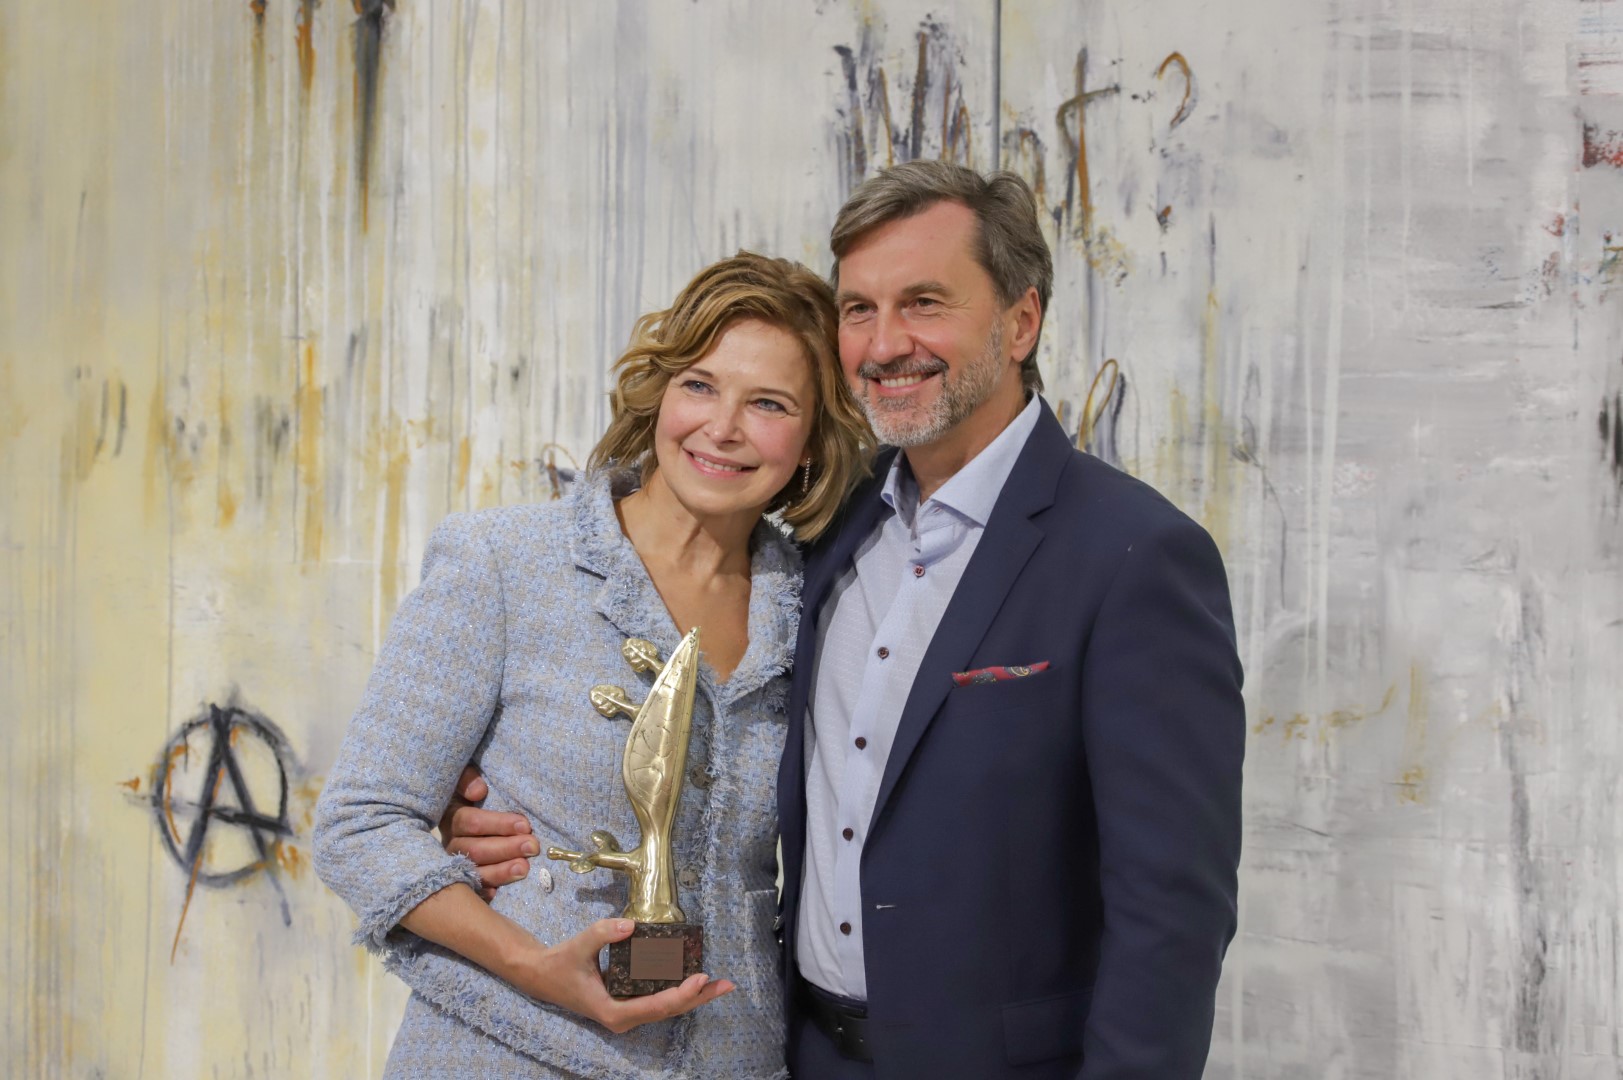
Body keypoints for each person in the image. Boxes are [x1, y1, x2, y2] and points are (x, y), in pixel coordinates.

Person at [453, 162, 1246, 1079]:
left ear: (1020, 321)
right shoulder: (826, 525)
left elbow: (1171, 912)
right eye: (859, 309)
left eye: (924, 303)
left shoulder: (1133, 555)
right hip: (797, 1056)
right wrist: (475, 806)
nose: (884, 343)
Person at [313, 251, 873, 1079]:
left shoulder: (823, 607)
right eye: (699, 385)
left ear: (814, 437)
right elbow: (360, 825)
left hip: (731, 1061)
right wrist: (533, 964)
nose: (722, 427)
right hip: (507, 1050)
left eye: (768, 403)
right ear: (659, 392)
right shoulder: (504, 563)